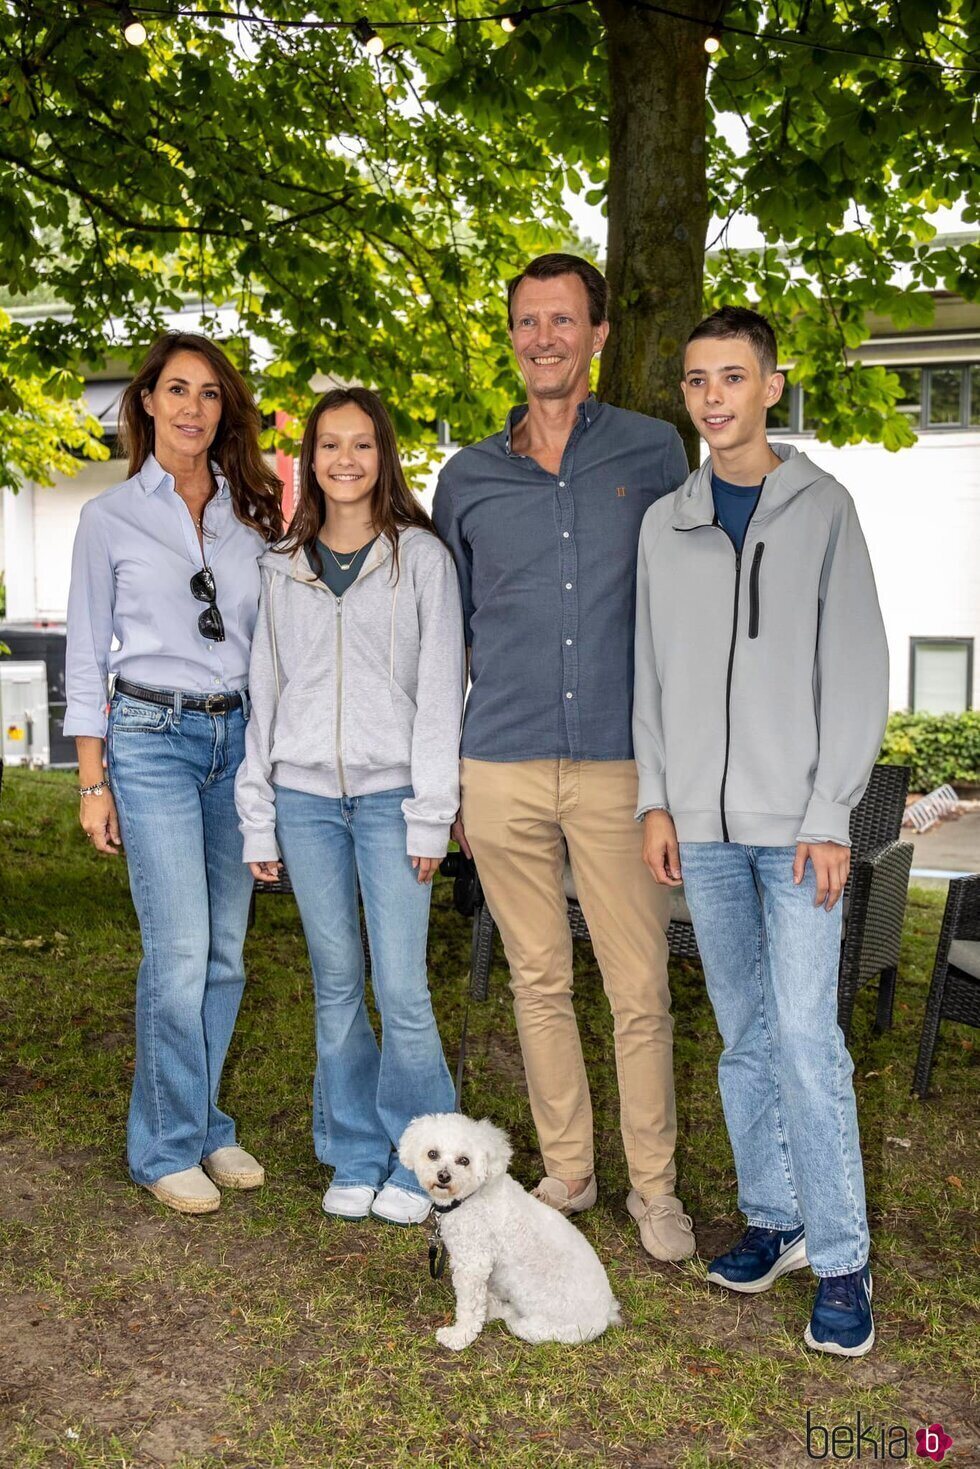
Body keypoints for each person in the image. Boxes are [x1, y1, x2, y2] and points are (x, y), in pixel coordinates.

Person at [634, 305, 888, 1355]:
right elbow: (647, 671)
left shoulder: (824, 509)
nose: (712, 398)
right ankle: (774, 1217)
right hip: (699, 827)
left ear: (768, 386)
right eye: (696, 380)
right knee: (740, 1032)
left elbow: (858, 670)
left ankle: (840, 1257)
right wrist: (657, 795)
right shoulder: (665, 522)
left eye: (730, 377)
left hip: (794, 831)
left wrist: (829, 812)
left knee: (804, 1037)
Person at [433, 252, 695, 1261]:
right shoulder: (467, 477)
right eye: (526, 322)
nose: (542, 337)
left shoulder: (653, 451)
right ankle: (570, 1170)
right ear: (512, 336)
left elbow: (684, 604)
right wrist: (445, 770)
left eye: (561, 320)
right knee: (537, 976)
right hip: (496, 760)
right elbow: (445, 629)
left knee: (636, 984)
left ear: (597, 335)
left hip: (615, 766)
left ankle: (655, 1189)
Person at [64, 332, 283, 1214]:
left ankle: (201, 1120)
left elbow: (270, 644)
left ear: (224, 410)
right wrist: (92, 780)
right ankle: (162, 1145)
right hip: (150, 737)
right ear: (147, 401)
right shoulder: (107, 520)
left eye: (209, 394)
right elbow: (85, 656)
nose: (193, 407)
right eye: (176, 390)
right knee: (180, 947)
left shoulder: (252, 514)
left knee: (225, 955)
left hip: (237, 740)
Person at [236, 387, 464, 1226]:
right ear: (310, 459)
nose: (344, 460)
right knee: (336, 985)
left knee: (402, 988)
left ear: (384, 455)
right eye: (328, 445)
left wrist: (433, 810)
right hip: (302, 798)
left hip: (392, 798)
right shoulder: (282, 565)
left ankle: (420, 1161)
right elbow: (266, 694)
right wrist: (259, 813)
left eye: (361, 444)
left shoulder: (422, 560)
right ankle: (354, 1150)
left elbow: (442, 691)